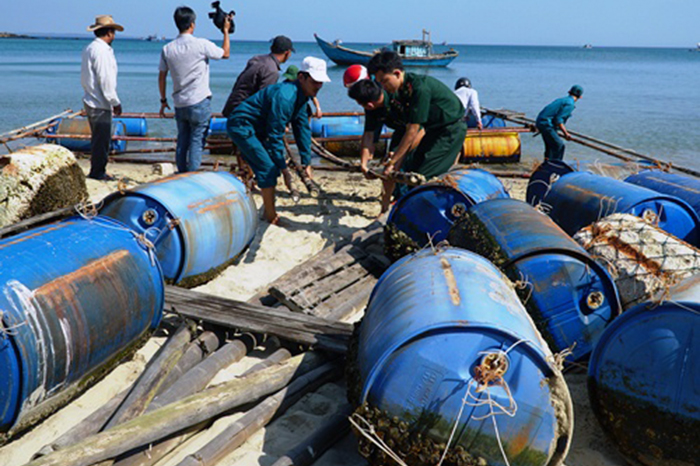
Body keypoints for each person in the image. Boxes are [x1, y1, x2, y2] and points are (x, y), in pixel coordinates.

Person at [227, 57, 330, 225]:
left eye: (321, 82)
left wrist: (306, 163)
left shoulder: (303, 96)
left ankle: (265, 208)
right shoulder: (285, 97)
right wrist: (286, 172)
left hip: (259, 128)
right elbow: (275, 136)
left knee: (268, 167)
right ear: (302, 77)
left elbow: (302, 128)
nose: (319, 86)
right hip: (242, 126)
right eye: (315, 81)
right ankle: (270, 216)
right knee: (269, 169)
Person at [367, 51, 467, 196]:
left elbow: (412, 130)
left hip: (451, 130)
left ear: (397, 73)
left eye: (384, 81)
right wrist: (396, 160)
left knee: (423, 176)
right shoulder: (401, 90)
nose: (383, 86)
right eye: (379, 82)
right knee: (412, 168)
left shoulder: (419, 88)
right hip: (432, 130)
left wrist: (393, 162)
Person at [158, 6, 231, 173]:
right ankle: (191, 177)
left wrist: (163, 100)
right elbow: (225, 53)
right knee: (197, 142)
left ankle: (181, 174)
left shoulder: (167, 49)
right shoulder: (201, 44)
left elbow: (162, 76)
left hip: (179, 102)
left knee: (182, 141)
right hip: (199, 101)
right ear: (192, 24)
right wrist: (225, 31)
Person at [347, 75, 424, 214]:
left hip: (421, 130)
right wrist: (364, 164)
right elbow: (369, 134)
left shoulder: (398, 96)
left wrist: (400, 153)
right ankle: (385, 208)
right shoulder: (371, 108)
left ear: (369, 104)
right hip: (401, 131)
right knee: (388, 168)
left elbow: (418, 129)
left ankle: (408, 202)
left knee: (410, 166)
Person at [81, 15, 124, 181]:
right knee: (102, 140)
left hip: (91, 98)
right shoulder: (101, 51)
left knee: (99, 138)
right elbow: (105, 79)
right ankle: (98, 172)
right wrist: (115, 101)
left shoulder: (90, 48)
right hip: (100, 102)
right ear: (110, 33)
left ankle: (98, 170)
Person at [221, 35, 295, 117]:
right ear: (287, 53)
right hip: (244, 113)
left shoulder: (257, 59)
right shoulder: (272, 70)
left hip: (233, 106)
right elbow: (264, 99)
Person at [535, 85, 583, 161]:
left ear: (569, 92)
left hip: (540, 122)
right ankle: (555, 166)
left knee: (550, 146)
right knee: (559, 146)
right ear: (580, 97)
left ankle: (546, 164)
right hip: (546, 124)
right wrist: (566, 134)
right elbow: (558, 120)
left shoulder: (563, 100)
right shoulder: (570, 104)